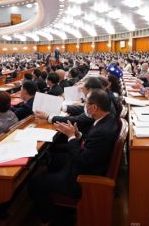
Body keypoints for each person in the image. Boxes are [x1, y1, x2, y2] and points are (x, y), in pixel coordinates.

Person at [28, 89, 119, 223]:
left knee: (35, 183)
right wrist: (78, 135)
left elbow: (83, 160)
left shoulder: (102, 131)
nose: (84, 107)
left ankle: (53, 218)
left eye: (86, 104)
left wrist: (71, 137)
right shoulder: (107, 119)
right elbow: (90, 143)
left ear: (94, 107)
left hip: (82, 178)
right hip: (89, 162)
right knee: (52, 159)